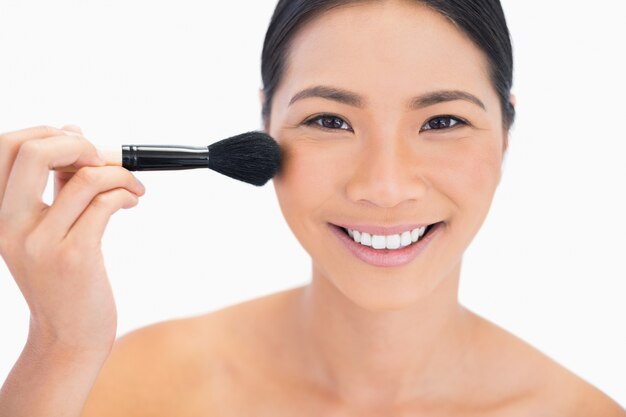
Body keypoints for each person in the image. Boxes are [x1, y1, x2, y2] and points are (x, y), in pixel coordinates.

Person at [0, 0, 624, 415]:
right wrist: (61, 344)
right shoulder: (125, 387)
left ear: (507, 133)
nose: (383, 186)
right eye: (329, 119)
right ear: (265, 124)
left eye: (442, 120)